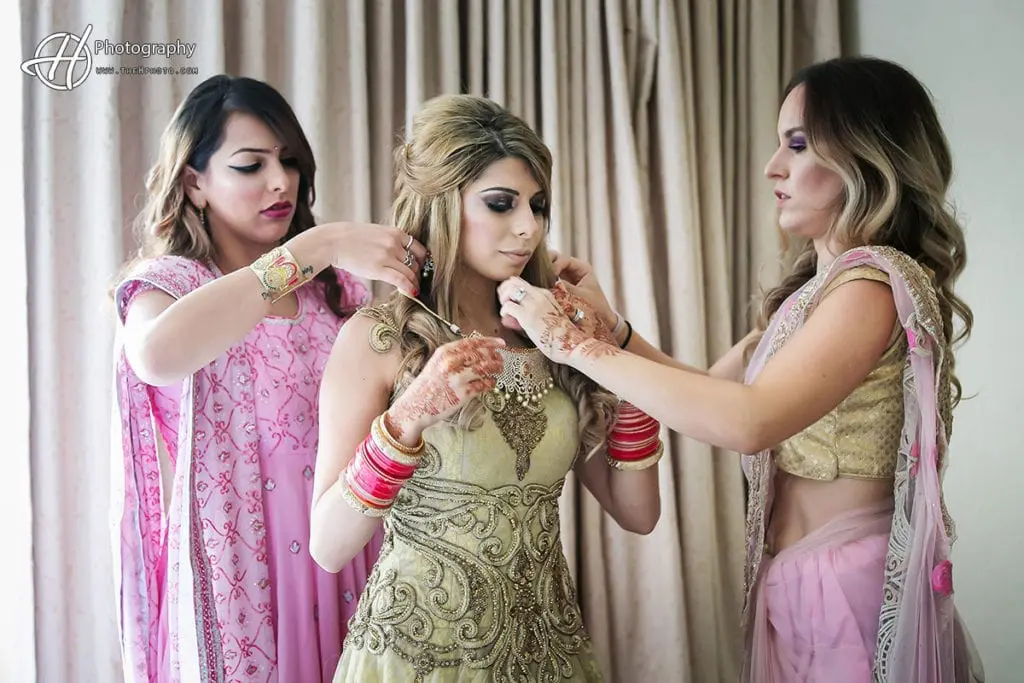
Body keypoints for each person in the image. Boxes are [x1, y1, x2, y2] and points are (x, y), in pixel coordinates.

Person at [496, 56, 986, 682]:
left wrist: (567, 343)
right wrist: (610, 327)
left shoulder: (870, 287)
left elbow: (748, 422)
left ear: (864, 157)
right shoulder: (816, 293)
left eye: (798, 144)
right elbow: (705, 392)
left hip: (845, 588)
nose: (771, 167)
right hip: (801, 580)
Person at [308, 93, 663, 682]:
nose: (528, 227)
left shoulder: (554, 333)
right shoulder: (379, 339)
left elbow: (639, 513)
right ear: (442, 205)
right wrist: (408, 419)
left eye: (538, 205)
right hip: (415, 657)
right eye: (501, 204)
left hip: (546, 654)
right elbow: (327, 545)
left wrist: (605, 351)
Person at [111, 74, 429, 683]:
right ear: (194, 183)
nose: (281, 181)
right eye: (251, 165)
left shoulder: (336, 295)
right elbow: (154, 357)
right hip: (240, 571)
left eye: (289, 161)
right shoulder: (169, 285)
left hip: (345, 551)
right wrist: (323, 242)